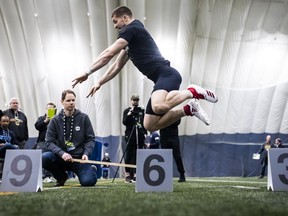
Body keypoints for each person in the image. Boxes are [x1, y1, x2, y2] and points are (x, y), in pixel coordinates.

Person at [72, 6, 218, 132]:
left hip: (167, 74)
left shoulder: (131, 28)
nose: (115, 26)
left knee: (159, 106)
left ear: (124, 18)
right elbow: (116, 66)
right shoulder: (132, 40)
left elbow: (108, 53)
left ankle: (192, 92)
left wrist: (87, 72)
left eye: (115, 22)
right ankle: (189, 109)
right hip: (161, 78)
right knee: (149, 124)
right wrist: (99, 82)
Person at [42, 89, 97, 187]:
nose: (71, 103)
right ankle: (62, 177)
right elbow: (49, 142)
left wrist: (86, 153)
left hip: (79, 159)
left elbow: (90, 139)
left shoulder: (84, 118)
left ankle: (91, 170)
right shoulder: (54, 120)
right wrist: (62, 153)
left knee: (88, 182)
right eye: (68, 100)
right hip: (61, 158)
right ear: (62, 102)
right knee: (44, 158)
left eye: (73, 100)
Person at [122, 94, 147, 183]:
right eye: (134, 100)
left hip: (139, 135)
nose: (135, 101)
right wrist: (129, 114)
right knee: (129, 154)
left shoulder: (141, 111)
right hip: (130, 135)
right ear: (131, 101)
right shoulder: (127, 111)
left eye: (137, 100)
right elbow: (124, 122)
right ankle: (128, 174)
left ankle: (136, 174)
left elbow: (144, 123)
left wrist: (145, 133)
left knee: (138, 154)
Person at [34, 102, 57, 182]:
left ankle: (49, 176)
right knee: (41, 159)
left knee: (51, 159)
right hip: (42, 142)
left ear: (54, 110)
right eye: (48, 108)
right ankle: (42, 176)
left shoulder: (56, 118)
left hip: (53, 143)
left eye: (51, 108)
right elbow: (37, 126)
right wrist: (45, 121)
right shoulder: (41, 118)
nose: (49, 110)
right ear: (46, 109)